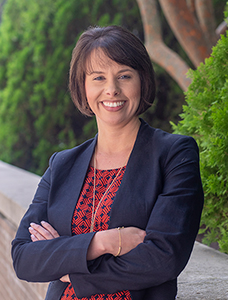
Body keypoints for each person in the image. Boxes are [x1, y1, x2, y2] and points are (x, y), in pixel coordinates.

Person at [11, 25, 204, 300]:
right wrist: (103, 242)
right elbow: (23, 256)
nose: (111, 90)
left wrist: (70, 270)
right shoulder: (62, 165)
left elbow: (164, 257)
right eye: (98, 78)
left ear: (143, 80)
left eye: (124, 76)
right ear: (83, 87)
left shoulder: (174, 154)